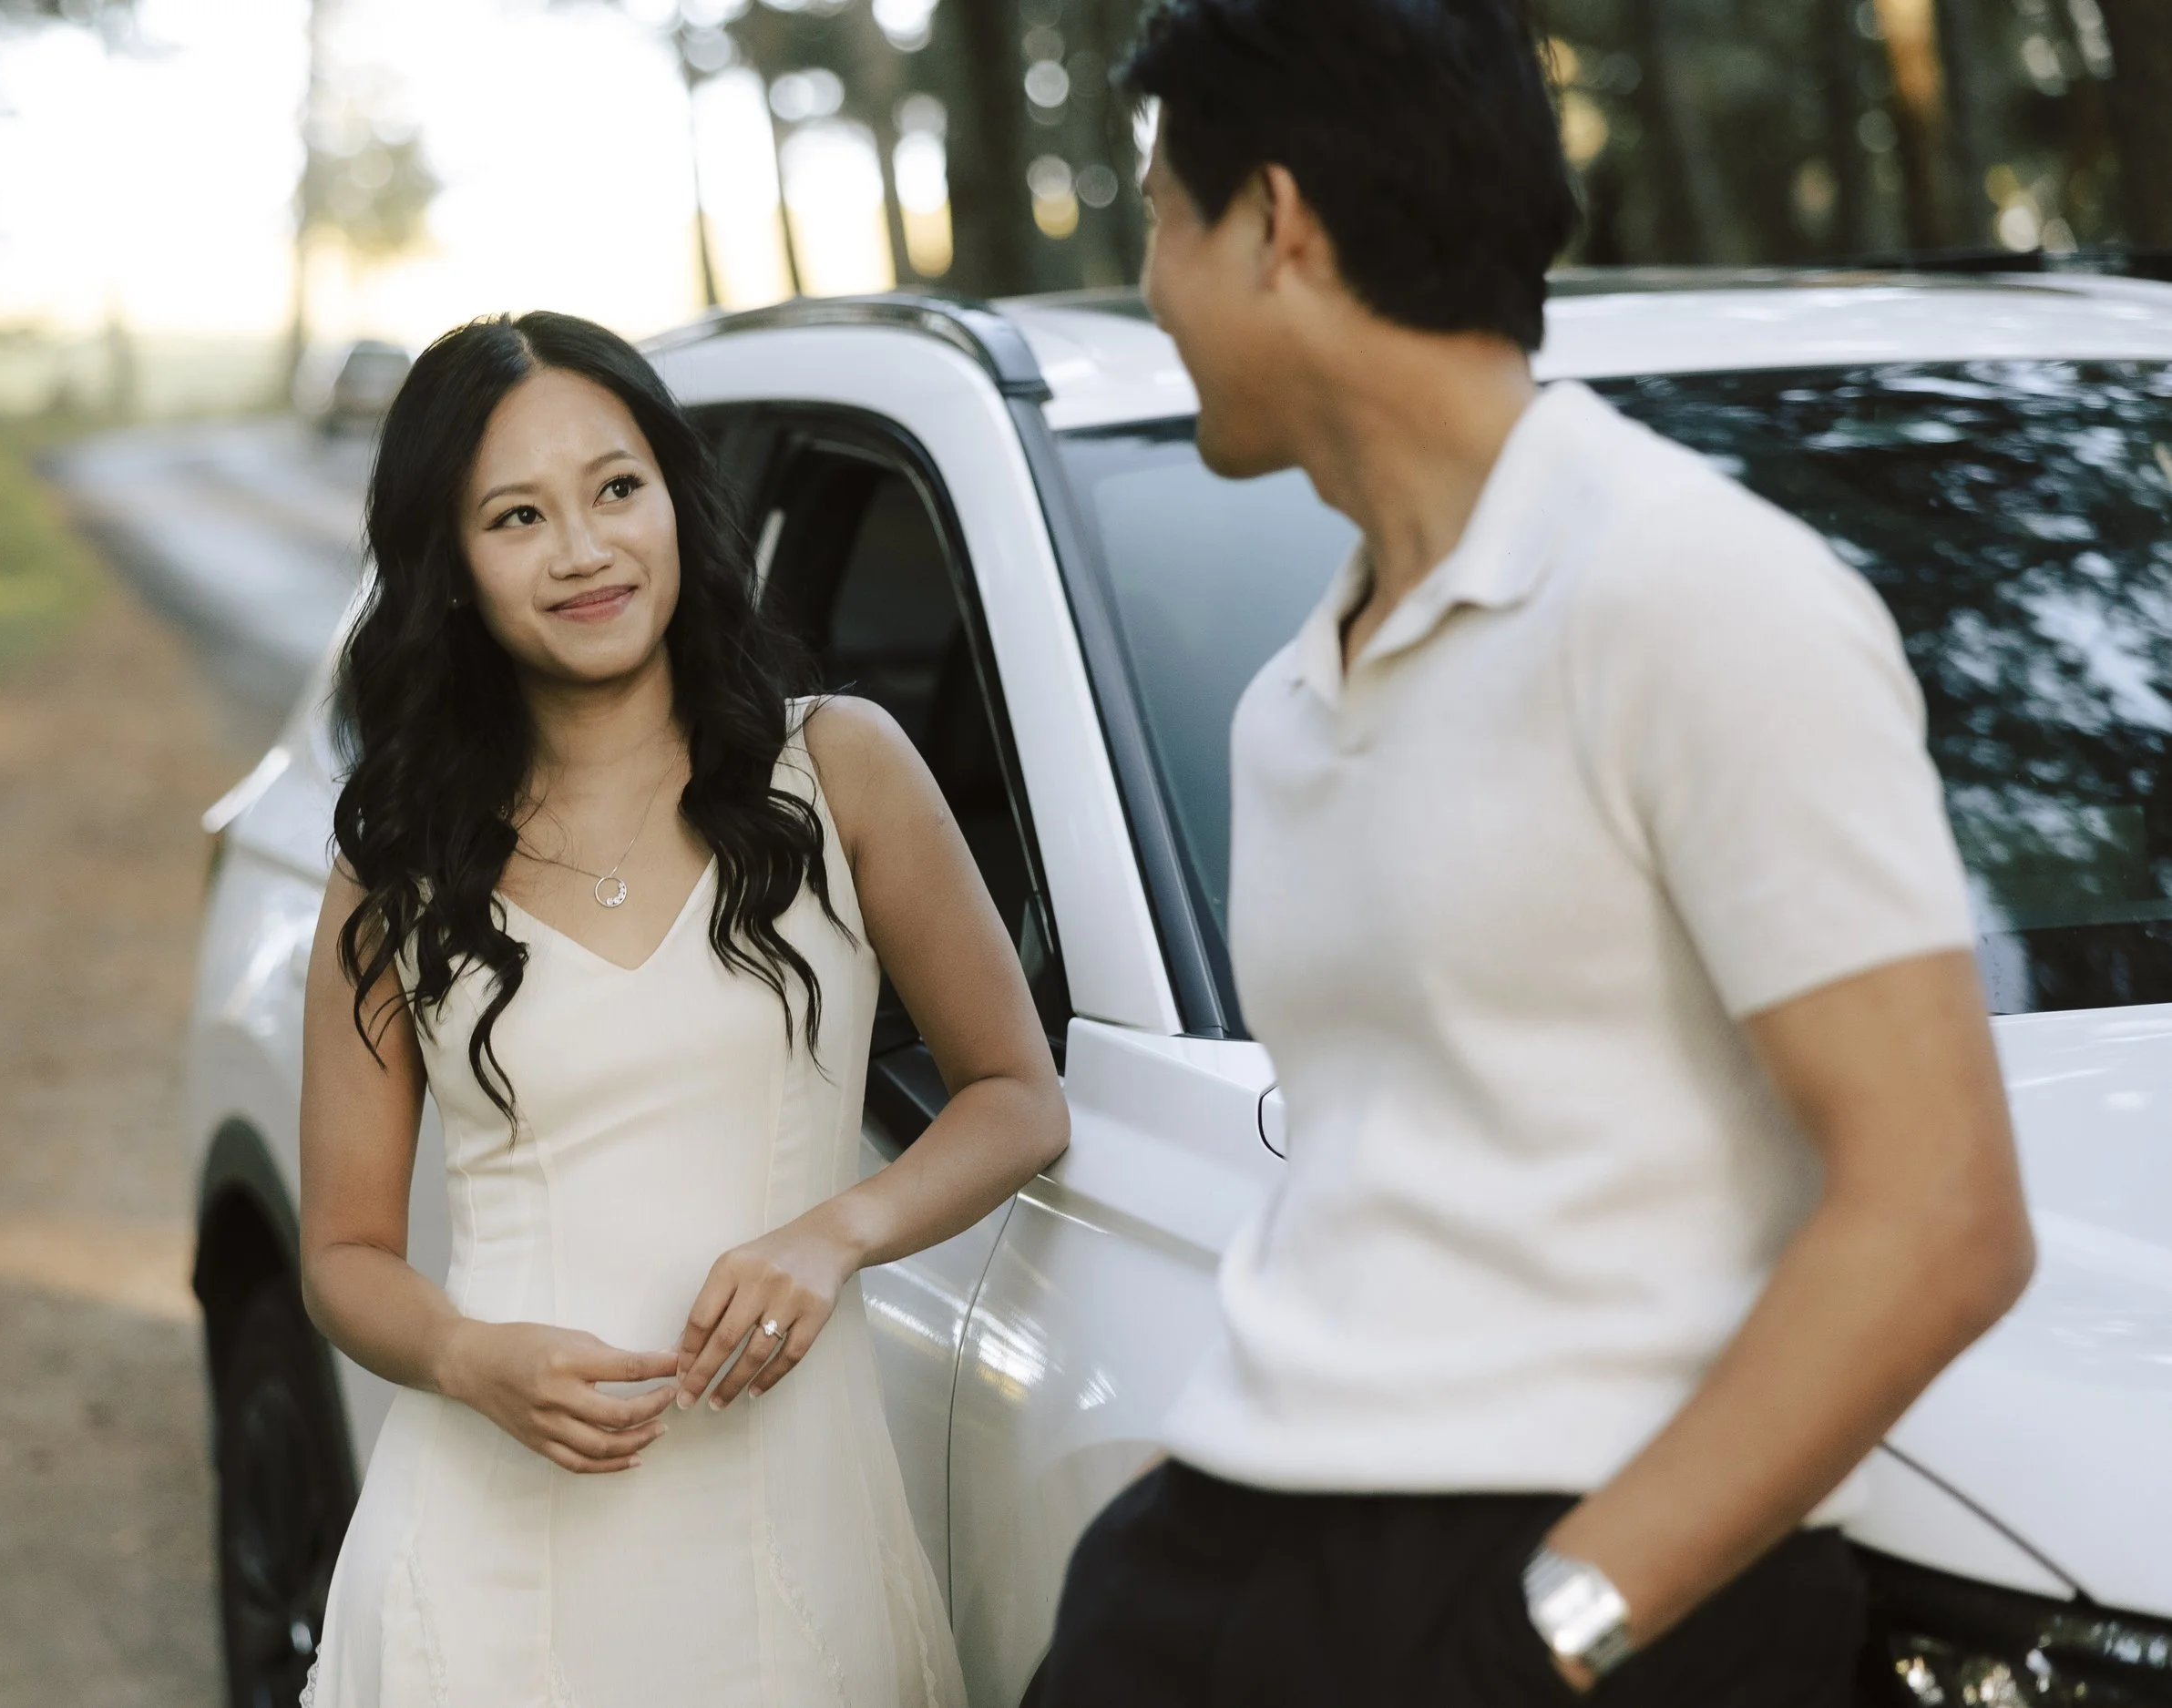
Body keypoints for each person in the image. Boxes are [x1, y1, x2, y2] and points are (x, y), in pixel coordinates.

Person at [1035, 2, 2034, 1702]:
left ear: (1276, 223)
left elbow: (1944, 1215)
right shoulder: (1291, 696)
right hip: (1235, 1551)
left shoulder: (1692, 591)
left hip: (1574, 1592)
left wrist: (1550, 1632)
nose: (1150, 287)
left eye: (1158, 222)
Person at [295, 312, 1068, 1708]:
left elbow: (1018, 1096)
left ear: (674, 498)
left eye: (616, 488)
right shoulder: (397, 858)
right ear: (451, 569)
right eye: (517, 516)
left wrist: (836, 1231)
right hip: (489, 1561)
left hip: (788, 1535)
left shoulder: (839, 768)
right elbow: (344, 1250)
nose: (584, 549)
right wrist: (469, 1355)